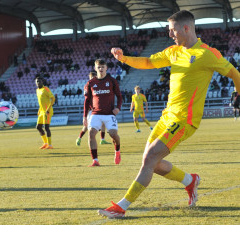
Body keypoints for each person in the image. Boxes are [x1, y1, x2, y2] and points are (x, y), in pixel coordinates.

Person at [98, 10, 240, 218]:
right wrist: (123, 58)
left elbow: (235, 73)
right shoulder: (174, 51)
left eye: (173, 30)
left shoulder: (207, 54)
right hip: (167, 116)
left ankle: (122, 206)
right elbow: (147, 63)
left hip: (185, 119)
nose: (170, 34)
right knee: (151, 162)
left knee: (151, 157)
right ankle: (190, 181)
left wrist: (238, 94)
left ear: (186, 28)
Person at [83, 59, 122, 167]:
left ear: (106, 68)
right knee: (91, 133)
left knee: (114, 135)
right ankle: (95, 160)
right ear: (95, 68)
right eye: (98, 67)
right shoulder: (90, 83)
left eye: (102, 67)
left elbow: (119, 96)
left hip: (109, 114)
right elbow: (86, 101)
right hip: (96, 113)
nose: (100, 69)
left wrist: (118, 108)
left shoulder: (112, 81)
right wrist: (85, 117)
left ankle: (117, 151)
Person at [76, 72, 111, 146]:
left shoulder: (98, 85)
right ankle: (79, 138)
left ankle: (102, 139)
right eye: (92, 78)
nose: (94, 79)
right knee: (86, 126)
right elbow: (87, 99)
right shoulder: (87, 86)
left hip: (98, 108)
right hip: (91, 110)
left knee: (103, 123)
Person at [35, 76, 55, 149]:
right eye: (37, 82)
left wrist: (48, 109)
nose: (38, 83)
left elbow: (53, 98)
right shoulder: (37, 90)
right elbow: (41, 102)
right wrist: (39, 109)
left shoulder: (46, 89)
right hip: (42, 111)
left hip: (47, 111)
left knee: (46, 128)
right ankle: (45, 143)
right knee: (38, 127)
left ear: (42, 82)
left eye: (39, 81)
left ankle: (50, 145)